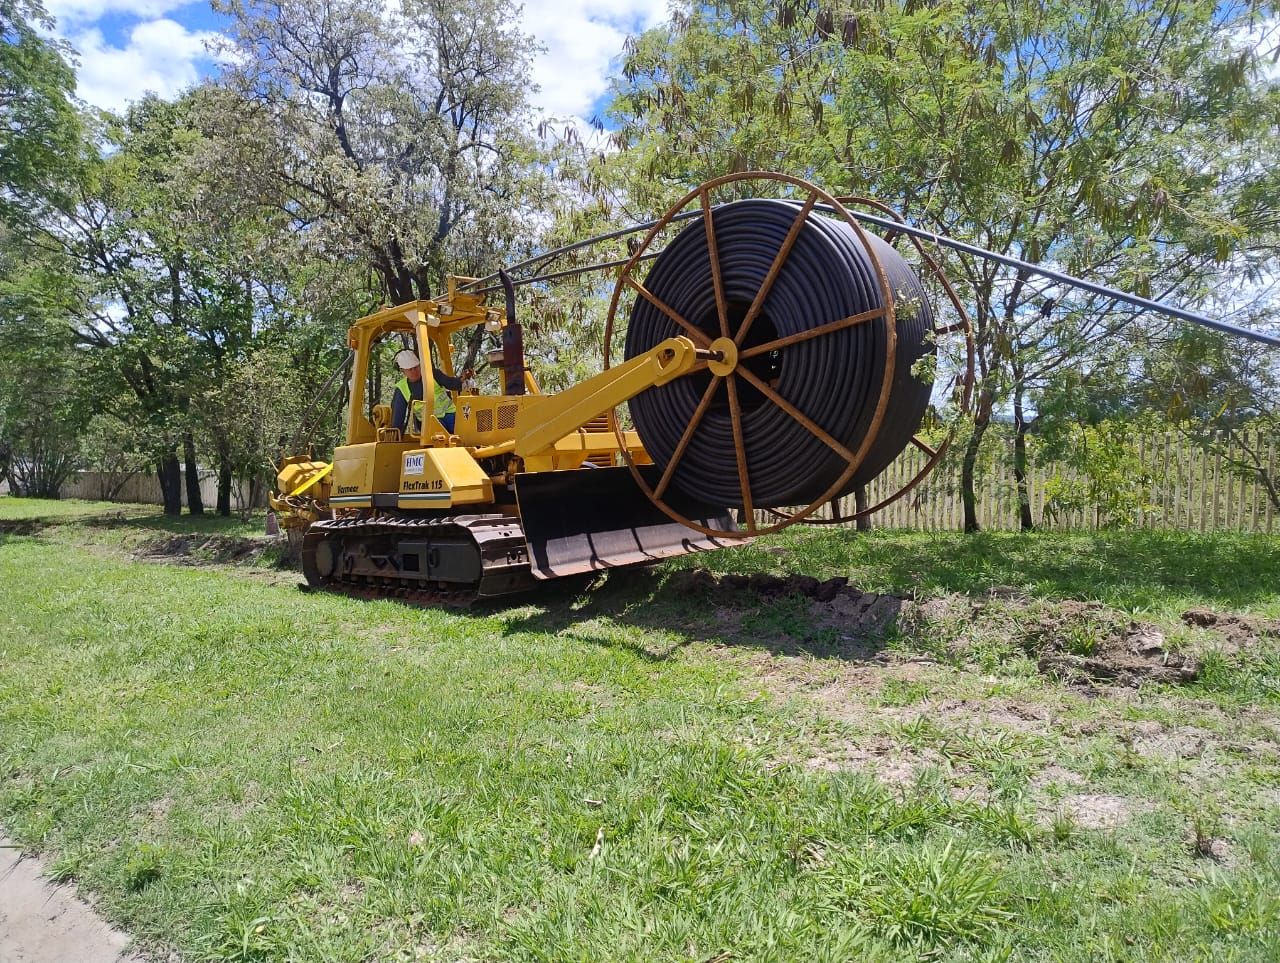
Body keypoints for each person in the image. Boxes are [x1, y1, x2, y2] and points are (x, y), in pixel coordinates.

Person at [391, 350, 472, 434]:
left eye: (416, 367)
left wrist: (462, 379)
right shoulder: (401, 388)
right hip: (430, 422)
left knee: (465, 433)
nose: (414, 371)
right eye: (410, 369)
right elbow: (398, 416)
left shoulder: (433, 374)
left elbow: (452, 383)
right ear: (403, 370)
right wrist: (395, 435)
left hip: (450, 414)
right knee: (440, 438)